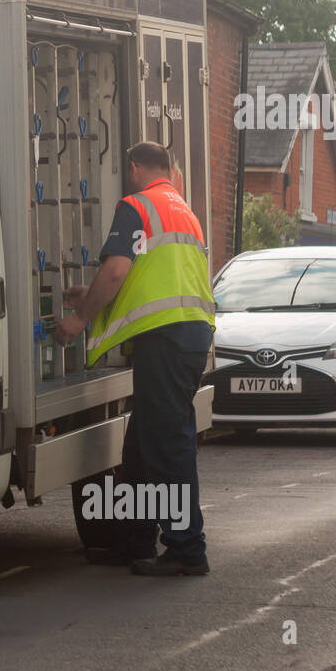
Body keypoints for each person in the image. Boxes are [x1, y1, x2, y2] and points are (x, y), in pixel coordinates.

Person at [55, 141, 216, 576]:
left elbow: (116, 270)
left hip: (165, 339)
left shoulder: (137, 206)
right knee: (143, 445)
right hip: (187, 335)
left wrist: (81, 318)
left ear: (133, 168)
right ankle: (135, 541)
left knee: (166, 443)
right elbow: (148, 277)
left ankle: (187, 548)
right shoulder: (183, 210)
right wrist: (89, 296)